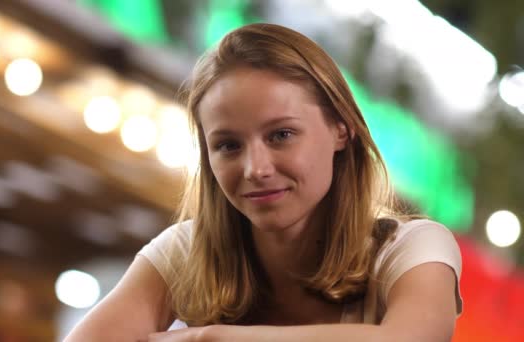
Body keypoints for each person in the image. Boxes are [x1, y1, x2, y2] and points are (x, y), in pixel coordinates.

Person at [65, 23, 462, 341]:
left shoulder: (412, 249)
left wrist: (214, 339)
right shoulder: (187, 251)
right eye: (228, 145)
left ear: (341, 129)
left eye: (281, 135)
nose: (255, 168)